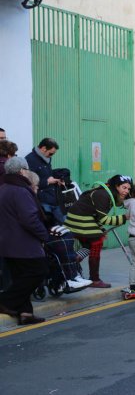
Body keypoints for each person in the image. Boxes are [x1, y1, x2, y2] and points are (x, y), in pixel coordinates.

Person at [0, 157, 49, 325]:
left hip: (8, 243)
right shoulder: (20, 190)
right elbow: (30, 219)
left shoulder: (4, 188)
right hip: (23, 244)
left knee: (21, 277)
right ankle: (5, 301)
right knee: (38, 271)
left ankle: (25, 314)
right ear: (22, 171)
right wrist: (44, 235)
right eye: (27, 170)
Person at [64, 175, 131, 288]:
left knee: (89, 245)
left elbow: (96, 216)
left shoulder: (107, 193)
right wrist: (125, 217)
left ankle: (73, 261)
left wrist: (102, 229)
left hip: (80, 220)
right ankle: (94, 279)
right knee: (97, 242)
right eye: (124, 188)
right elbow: (105, 219)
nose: (126, 191)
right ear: (116, 186)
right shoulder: (103, 195)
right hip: (79, 221)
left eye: (128, 189)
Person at [25, 137, 65, 224]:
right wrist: (47, 181)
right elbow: (29, 183)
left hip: (54, 199)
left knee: (63, 225)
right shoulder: (29, 159)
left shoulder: (47, 158)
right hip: (42, 201)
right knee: (48, 225)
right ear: (43, 148)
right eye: (51, 153)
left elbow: (47, 174)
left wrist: (57, 179)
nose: (51, 156)